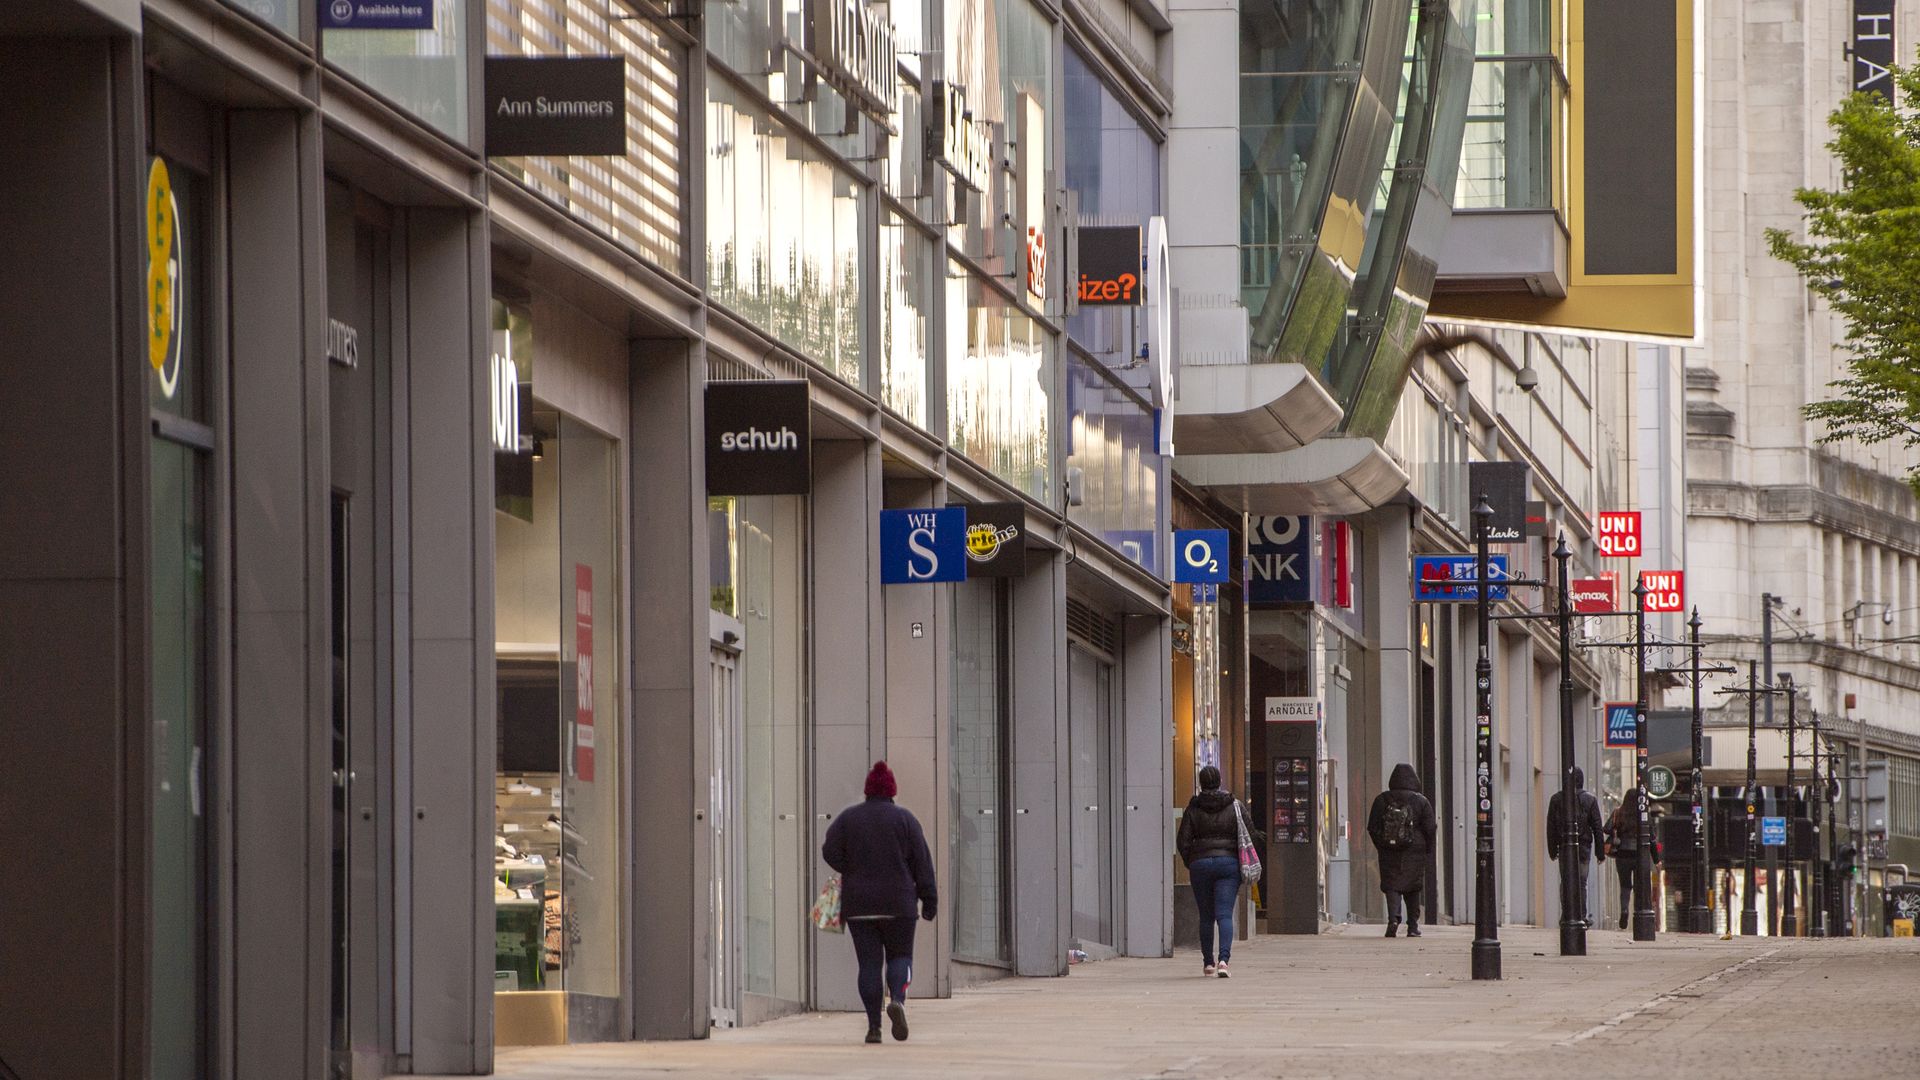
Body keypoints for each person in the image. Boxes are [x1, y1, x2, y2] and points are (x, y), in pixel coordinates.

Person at [822, 761, 937, 1044]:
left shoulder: (849, 819)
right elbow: (922, 863)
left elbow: (829, 851)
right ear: (892, 791)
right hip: (899, 905)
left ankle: (874, 1027)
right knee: (900, 958)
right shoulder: (905, 820)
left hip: (859, 905)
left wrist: (849, 867)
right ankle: (897, 999)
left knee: (869, 965)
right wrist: (929, 899)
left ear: (867, 790)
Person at [1176, 765, 1250, 977]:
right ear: (1219, 781)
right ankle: (1224, 961)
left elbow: (1183, 841)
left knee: (1206, 916)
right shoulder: (1234, 806)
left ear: (1201, 783)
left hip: (1200, 864)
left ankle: (1208, 963)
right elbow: (1250, 833)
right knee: (1224, 914)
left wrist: (1193, 860)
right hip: (1228, 864)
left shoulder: (1193, 808)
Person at [1366, 763, 1437, 938]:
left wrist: (1381, 844)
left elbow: (1372, 827)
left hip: (1389, 850)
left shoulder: (1381, 800)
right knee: (1413, 888)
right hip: (1415, 851)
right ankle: (1412, 926)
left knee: (1392, 886)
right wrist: (1428, 848)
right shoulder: (1421, 801)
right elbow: (1430, 828)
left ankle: (1393, 920)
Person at [1546, 766, 1606, 923]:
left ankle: (1566, 913)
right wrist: (1600, 853)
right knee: (1581, 883)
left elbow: (1550, 827)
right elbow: (1597, 828)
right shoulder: (1590, 800)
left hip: (1564, 847)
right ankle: (1581, 915)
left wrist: (1552, 850)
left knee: (1566, 881)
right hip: (1584, 848)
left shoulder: (1556, 799)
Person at [1603, 787, 1661, 930]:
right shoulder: (1644, 815)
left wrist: (1618, 830)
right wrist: (1656, 860)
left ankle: (1624, 910)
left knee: (1625, 886)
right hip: (1639, 855)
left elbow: (1606, 828)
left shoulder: (1619, 812)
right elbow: (1651, 839)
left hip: (1622, 854)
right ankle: (1639, 912)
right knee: (1639, 886)